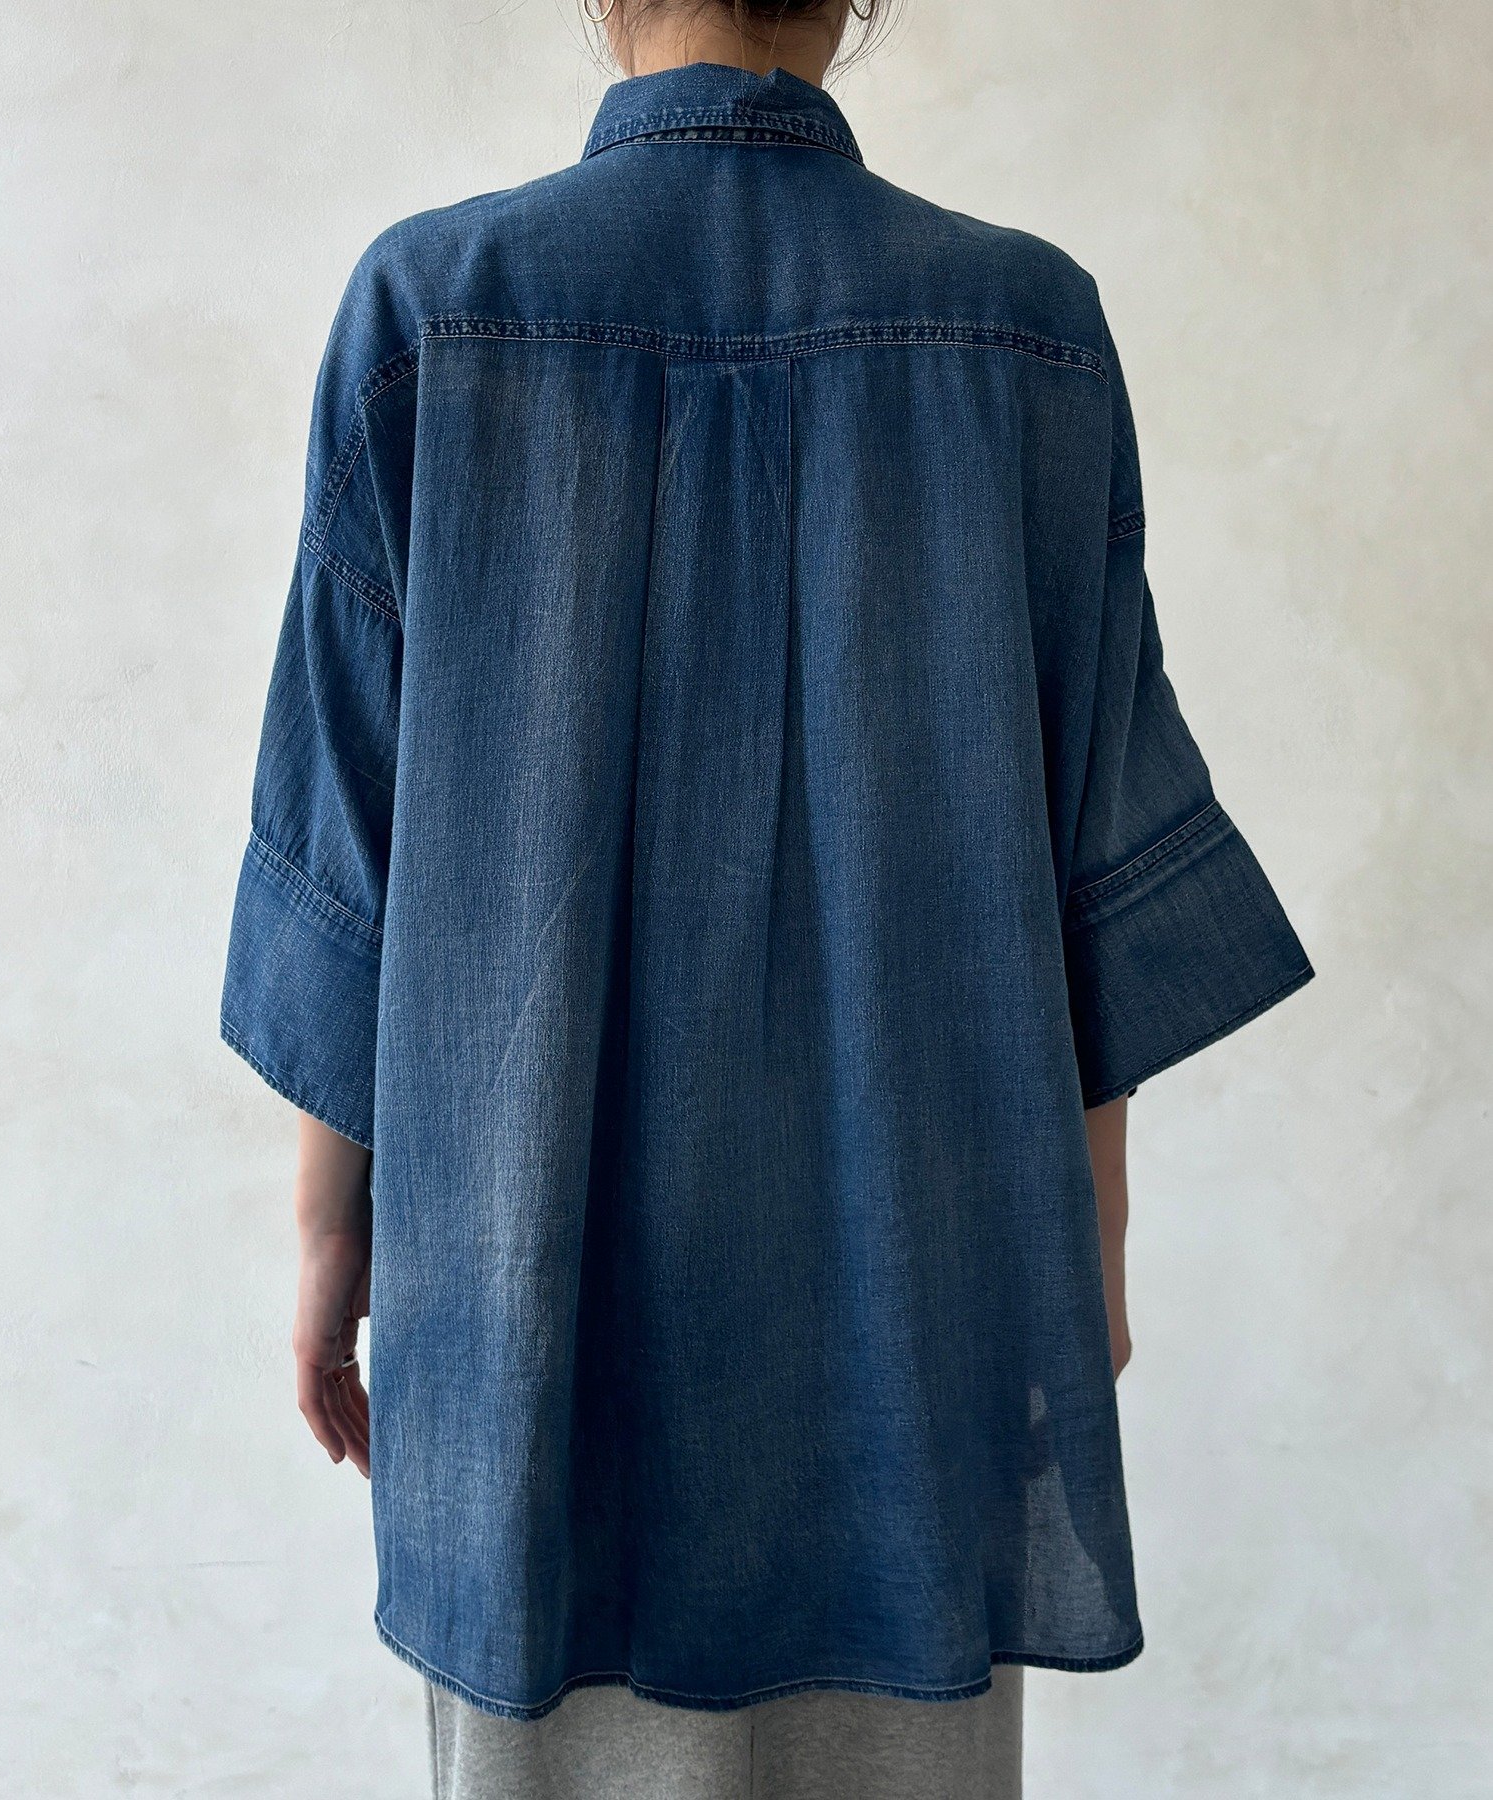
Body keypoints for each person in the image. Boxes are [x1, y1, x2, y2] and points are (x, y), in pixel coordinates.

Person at [219, 1, 1315, 1794]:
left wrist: (332, 1244)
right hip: (917, 1303)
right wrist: (1087, 1252)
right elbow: (1091, 855)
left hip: (528, 1297)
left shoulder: (433, 311)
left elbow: (353, 852)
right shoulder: (1025, 328)